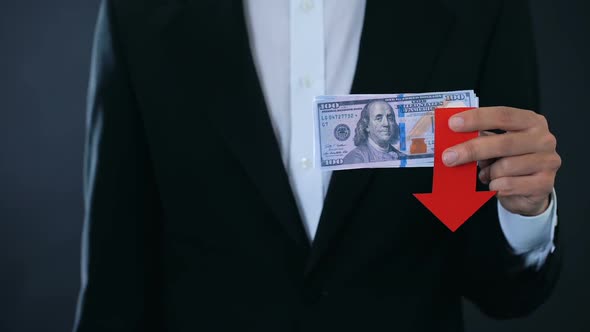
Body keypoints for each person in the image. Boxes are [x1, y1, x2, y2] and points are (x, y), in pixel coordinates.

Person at [73, 1, 563, 331]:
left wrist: (525, 214)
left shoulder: (482, 8)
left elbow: (502, 292)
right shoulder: (136, 11)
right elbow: (115, 281)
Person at [342, 100, 405, 164]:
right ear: (366, 125)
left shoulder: (402, 156)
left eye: (390, 118)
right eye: (378, 118)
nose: (386, 124)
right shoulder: (355, 158)